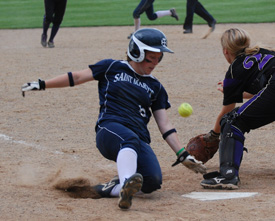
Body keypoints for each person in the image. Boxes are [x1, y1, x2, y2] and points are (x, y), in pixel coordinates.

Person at [22, 28, 206, 209]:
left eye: (159, 57)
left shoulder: (156, 86)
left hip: (138, 138)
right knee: (129, 139)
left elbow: (164, 123)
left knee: (152, 181)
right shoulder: (112, 67)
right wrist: (42, 84)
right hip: (109, 129)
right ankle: (127, 183)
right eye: (152, 57)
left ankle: (113, 188)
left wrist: (182, 154)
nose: (156, 62)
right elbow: (77, 77)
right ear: (137, 53)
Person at [200, 28, 275, 189]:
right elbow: (265, 92)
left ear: (225, 51)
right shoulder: (264, 52)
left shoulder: (235, 69)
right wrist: (234, 91)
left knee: (232, 121)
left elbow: (227, 112)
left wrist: (213, 135)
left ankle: (228, 175)